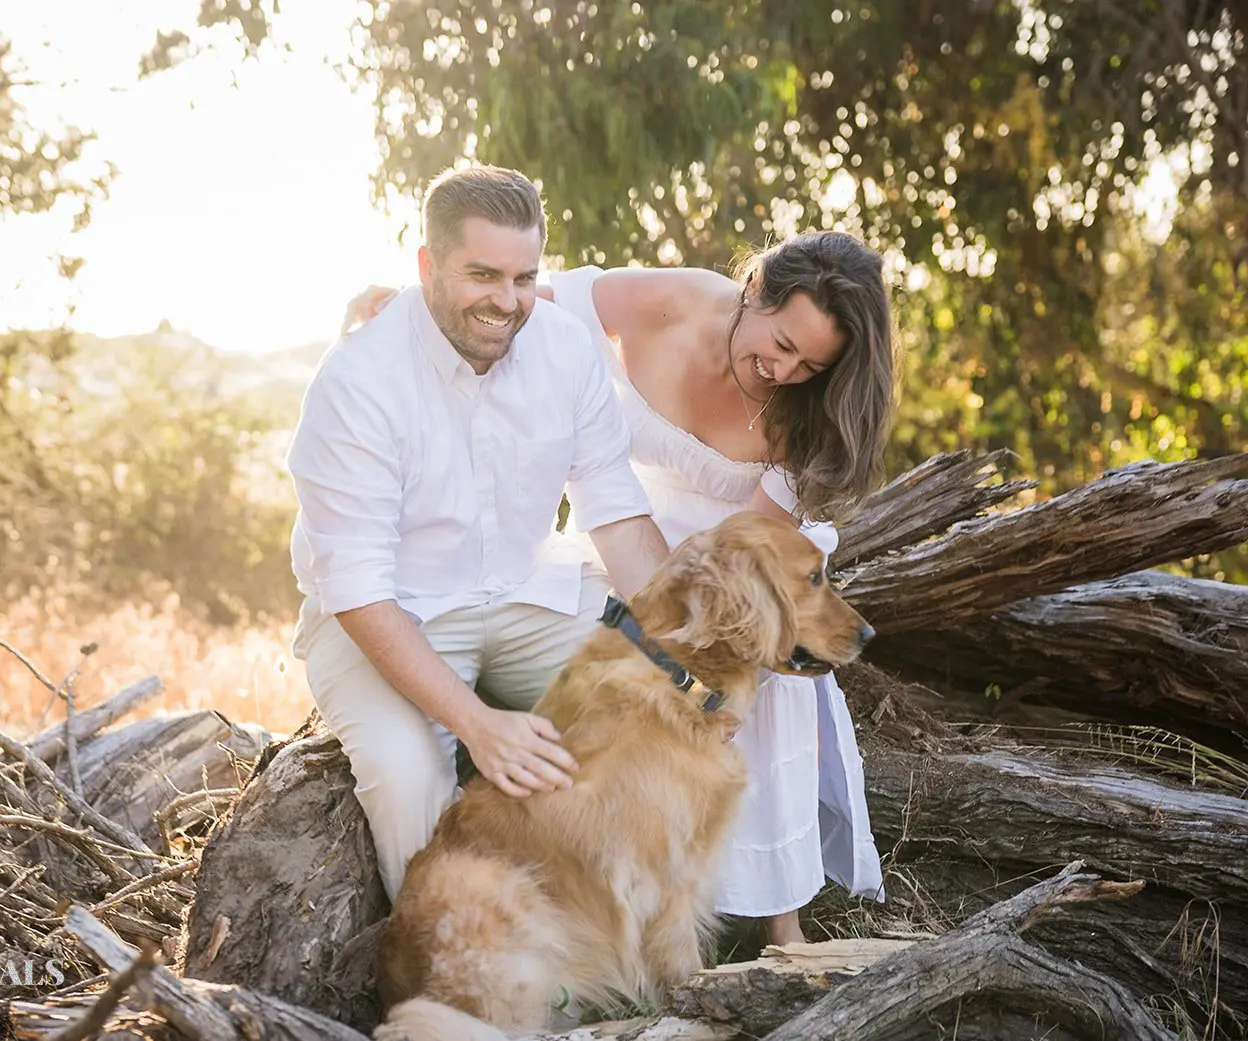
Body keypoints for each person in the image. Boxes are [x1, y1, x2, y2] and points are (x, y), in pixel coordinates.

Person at [339, 230, 897, 944]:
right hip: (626, 528)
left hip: (742, 558)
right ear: (755, 291)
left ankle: (778, 921)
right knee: (603, 666)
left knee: (741, 673)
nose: (785, 370)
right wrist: (417, 305)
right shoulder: (670, 300)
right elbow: (526, 305)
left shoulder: (811, 414)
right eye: (782, 343)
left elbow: (744, 557)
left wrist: (704, 649)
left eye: (810, 365)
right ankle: (600, 882)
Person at [287, 164, 670, 901]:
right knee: (406, 781)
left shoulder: (565, 350)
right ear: (427, 266)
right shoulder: (358, 381)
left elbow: (615, 510)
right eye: (483, 275)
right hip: (389, 614)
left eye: (524, 278)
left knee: (654, 712)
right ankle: (452, 957)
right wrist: (479, 726)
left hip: (529, 591)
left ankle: (616, 941)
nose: (508, 301)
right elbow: (359, 592)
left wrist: (687, 654)